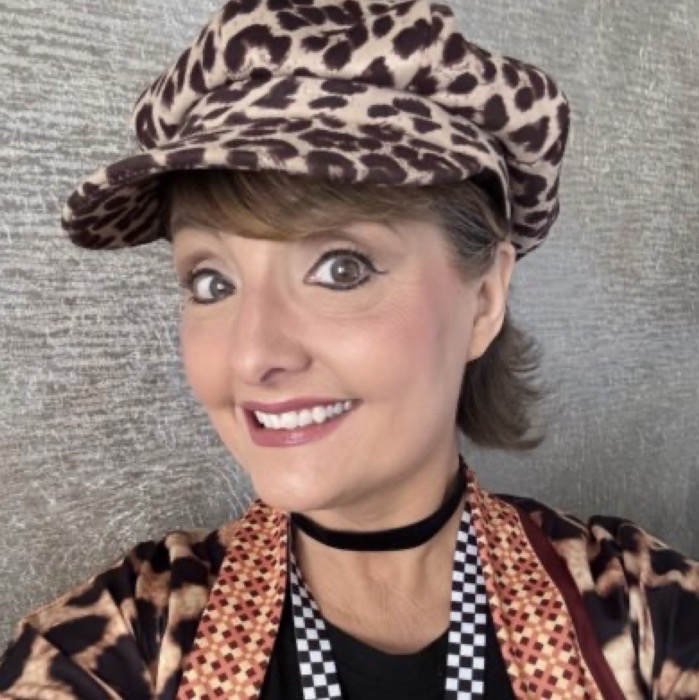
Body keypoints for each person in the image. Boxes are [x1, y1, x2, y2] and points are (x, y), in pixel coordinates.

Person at [0, 0, 697, 698]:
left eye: (342, 268)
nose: (252, 356)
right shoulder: (116, 645)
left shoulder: (647, 614)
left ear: (484, 300)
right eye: (212, 282)